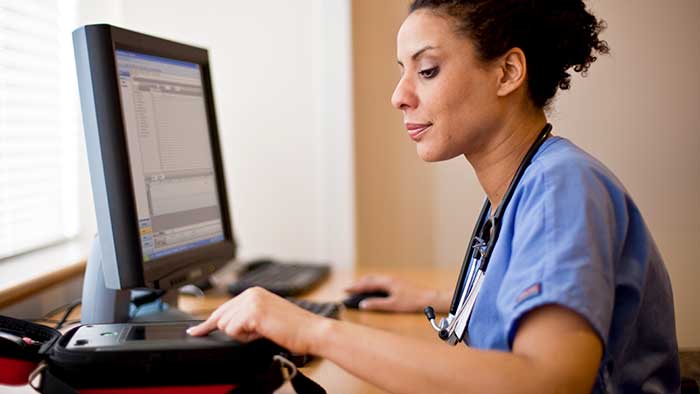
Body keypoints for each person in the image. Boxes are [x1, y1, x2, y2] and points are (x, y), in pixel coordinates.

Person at [189, 0, 680, 392]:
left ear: (508, 72)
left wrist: (312, 331)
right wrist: (440, 298)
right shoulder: (529, 182)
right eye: (403, 70)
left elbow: (547, 381)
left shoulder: (560, 188)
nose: (399, 95)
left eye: (426, 70)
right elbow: (551, 288)